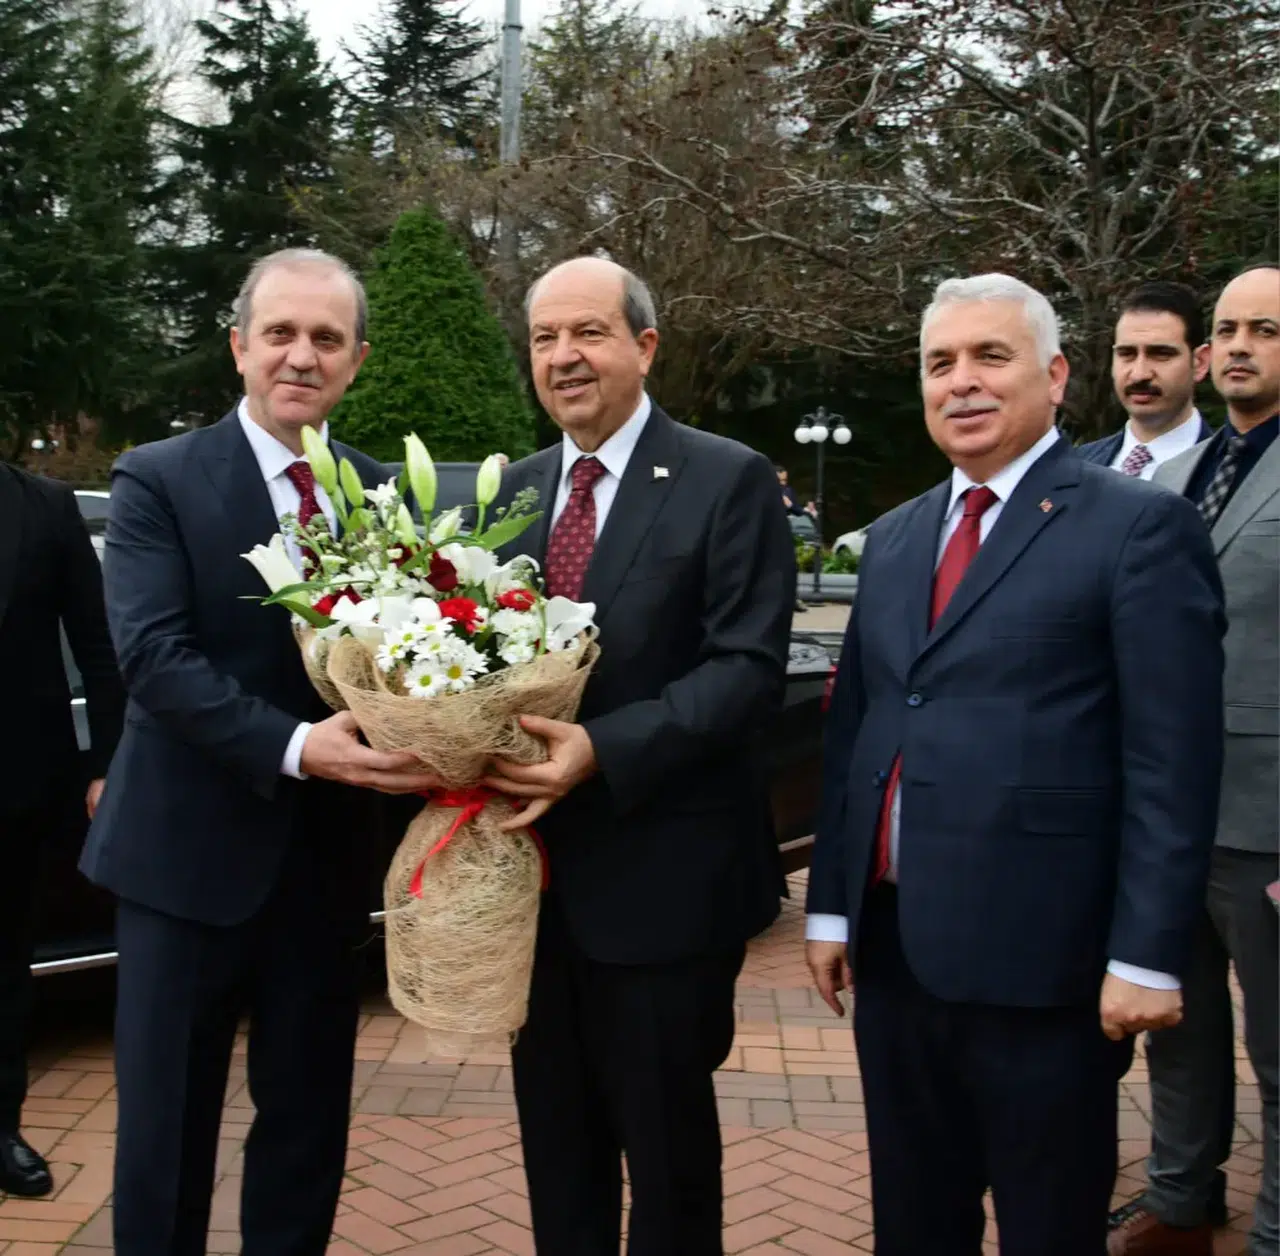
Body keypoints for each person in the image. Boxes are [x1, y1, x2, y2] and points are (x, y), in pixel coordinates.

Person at [805, 273, 1225, 1256]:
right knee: (913, 1222)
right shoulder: (900, 536)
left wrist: (1145, 953)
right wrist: (830, 905)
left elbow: (1171, 758)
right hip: (898, 958)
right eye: (938, 362)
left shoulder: (1134, 527)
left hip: (1050, 966)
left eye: (988, 356)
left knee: (1046, 1225)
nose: (960, 381)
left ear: (1053, 373)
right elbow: (860, 729)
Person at [80, 248, 440, 1256]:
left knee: (305, 1125)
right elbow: (154, 656)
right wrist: (295, 746)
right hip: (181, 865)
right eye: (279, 332)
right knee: (165, 1132)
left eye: (326, 338)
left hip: (322, 869)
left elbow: (417, 656)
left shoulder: (382, 494)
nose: (301, 355)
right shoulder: (157, 478)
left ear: (356, 360)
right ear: (239, 346)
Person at [483, 256, 795, 1255]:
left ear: (644, 345)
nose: (564, 357)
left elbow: (744, 668)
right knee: (556, 1153)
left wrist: (600, 750)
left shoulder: (724, 477)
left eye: (587, 333)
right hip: (532, 892)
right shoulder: (515, 493)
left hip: (663, 888)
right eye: (543, 338)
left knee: (666, 1166)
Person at [1108, 264, 1280, 1256]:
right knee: (1174, 1026)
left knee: (1276, 1046)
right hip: (1172, 816)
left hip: (1268, 820)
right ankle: (1179, 1195)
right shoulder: (1175, 478)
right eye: (1228, 328)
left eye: (1266, 326)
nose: (1242, 345)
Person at [0, 463, 124, 1197]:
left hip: (16, 788)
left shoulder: (44, 507)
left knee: (6, 970)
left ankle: (3, 1127)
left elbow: (101, 646)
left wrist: (108, 765)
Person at [1078, 281, 1214, 476]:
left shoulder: (1230, 473)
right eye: (1127, 353)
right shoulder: (1075, 467)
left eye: (1160, 354)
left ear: (1200, 362)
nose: (1140, 374)